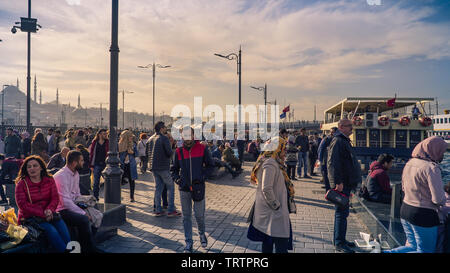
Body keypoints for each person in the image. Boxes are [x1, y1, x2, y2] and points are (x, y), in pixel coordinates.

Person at [384, 136, 447, 253]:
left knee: (411, 246)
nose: (442, 154)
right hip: (424, 215)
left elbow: (403, 188)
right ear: (435, 150)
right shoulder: (431, 168)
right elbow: (438, 199)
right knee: (425, 250)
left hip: (405, 210)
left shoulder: (410, 163)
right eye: (441, 151)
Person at [247, 136, 294, 253]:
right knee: (281, 245)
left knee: (268, 243)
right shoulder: (270, 163)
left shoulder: (269, 160)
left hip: (272, 213)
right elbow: (266, 188)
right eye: (283, 148)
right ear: (277, 148)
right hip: (273, 213)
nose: (285, 151)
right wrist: (277, 206)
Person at [15, 155, 71, 253]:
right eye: (29, 166)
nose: (32, 168)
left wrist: (49, 210)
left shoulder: (49, 180)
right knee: (51, 231)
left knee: (63, 229)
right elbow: (23, 205)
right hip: (30, 218)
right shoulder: (22, 184)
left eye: (35, 165)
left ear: (41, 167)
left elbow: (55, 198)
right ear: (26, 169)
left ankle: (70, 250)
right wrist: (43, 213)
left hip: (49, 213)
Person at [171, 127, 213, 252]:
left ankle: (201, 233)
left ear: (194, 135)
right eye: (185, 135)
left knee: (199, 215)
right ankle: (188, 242)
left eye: (190, 134)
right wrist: (178, 180)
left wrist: (203, 177)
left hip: (198, 187)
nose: (187, 137)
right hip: (184, 188)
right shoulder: (178, 151)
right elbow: (173, 169)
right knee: (186, 216)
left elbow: (211, 165)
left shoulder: (202, 148)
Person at [54, 150, 103, 253]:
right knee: (84, 219)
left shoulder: (75, 173)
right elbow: (65, 201)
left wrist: (85, 204)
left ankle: (88, 244)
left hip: (73, 204)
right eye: (81, 160)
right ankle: (89, 249)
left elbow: (77, 194)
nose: (83, 162)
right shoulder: (61, 176)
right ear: (74, 163)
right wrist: (83, 212)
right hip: (61, 209)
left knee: (98, 215)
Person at [327, 119, 362, 253]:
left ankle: (341, 239)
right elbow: (333, 163)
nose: (352, 129)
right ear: (341, 127)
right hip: (342, 184)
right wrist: (337, 182)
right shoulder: (338, 141)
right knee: (341, 213)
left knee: (343, 213)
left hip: (347, 182)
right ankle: (339, 243)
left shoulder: (344, 140)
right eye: (349, 126)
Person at [146, 122, 180, 216]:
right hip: (163, 167)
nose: (166, 129)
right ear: (161, 128)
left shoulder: (150, 139)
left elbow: (147, 153)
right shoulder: (164, 138)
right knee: (171, 187)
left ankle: (158, 209)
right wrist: (172, 145)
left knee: (158, 188)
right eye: (165, 127)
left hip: (153, 167)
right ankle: (171, 210)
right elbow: (169, 153)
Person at [89, 129, 109, 201]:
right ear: (99, 134)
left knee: (108, 181)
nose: (105, 135)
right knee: (96, 182)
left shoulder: (107, 142)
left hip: (105, 164)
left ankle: (108, 197)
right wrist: (91, 165)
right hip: (97, 164)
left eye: (106, 134)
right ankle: (95, 197)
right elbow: (91, 154)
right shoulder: (95, 142)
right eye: (104, 134)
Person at [118, 130, 138, 202]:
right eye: (130, 137)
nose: (131, 138)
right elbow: (117, 155)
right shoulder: (119, 145)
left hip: (131, 165)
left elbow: (136, 154)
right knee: (119, 181)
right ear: (126, 137)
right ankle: (118, 196)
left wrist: (132, 152)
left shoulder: (133, 144)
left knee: (132, 180)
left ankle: (132, 196)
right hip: (122, 165)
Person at [318, 127, 337, 192]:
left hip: (334, 162)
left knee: (333, 176)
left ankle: (332, 190)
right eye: (331, 132)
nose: (332, 133)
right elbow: (320, 149)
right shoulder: (326, 139)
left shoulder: (338, 139)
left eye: (333, 132)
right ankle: (328, 190)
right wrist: (320, 159)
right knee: (326, 175)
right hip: (326, 161)